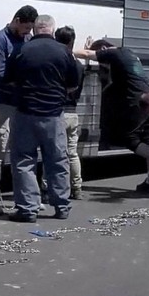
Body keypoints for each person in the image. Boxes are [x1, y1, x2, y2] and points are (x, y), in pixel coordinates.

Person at [3, 15, 81, 222]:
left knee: (23, 161)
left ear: (35, 30)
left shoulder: (21, 50)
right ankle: (61, 206)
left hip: (25, 113)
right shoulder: (64, 52)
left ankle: (27, 209)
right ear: (52, 30)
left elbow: (8, 80)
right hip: (54, 115)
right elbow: (73, 84)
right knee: (57, 160)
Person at [74, 38, 149, 194]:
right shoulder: (129, 54)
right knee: (147, 140)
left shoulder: (114, 54)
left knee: (126, 137)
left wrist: (64, 49)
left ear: (105, 49)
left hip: (137, 101)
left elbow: (86, 53)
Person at [0, 6, 38, 215]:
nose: (27, 33)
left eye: (29, 29)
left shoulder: (26, 40)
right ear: (16, 20)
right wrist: (24, 84)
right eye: (25, 28)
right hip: (3, 104)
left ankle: (23, 197)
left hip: (21, 105)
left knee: (23, 152)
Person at [54, 25, 85, 200]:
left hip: (59, 112)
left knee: (54, 152)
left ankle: (49, 188)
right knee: (72, 153)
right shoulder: (78, 65)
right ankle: (77, 187)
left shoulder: (59, 62)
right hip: (73, 113)